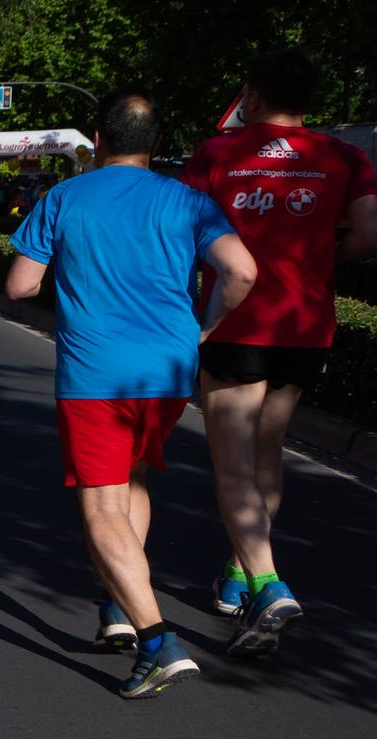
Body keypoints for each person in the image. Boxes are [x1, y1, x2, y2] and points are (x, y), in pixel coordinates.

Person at [5, 89, 257, 699]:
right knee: (134, 478)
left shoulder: (63, 197)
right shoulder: (187, 201)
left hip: (96, 374)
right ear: (159, 144)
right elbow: (242, 271)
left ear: (100, 138)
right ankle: (118, 605)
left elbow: (19, 285)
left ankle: (156, 640)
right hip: (168, 371)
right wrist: (205, 327)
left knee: (99, 507)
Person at [185, 48, 377, 654]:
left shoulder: (218, 153)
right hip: (306, 327)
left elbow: (181, 233)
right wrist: (325, 262)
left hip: (236, 324)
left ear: (254, 96)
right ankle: (240, 577)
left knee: (232, 464)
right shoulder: (345, 157)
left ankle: (267, 583)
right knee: (269, 452)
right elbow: (371, 232)